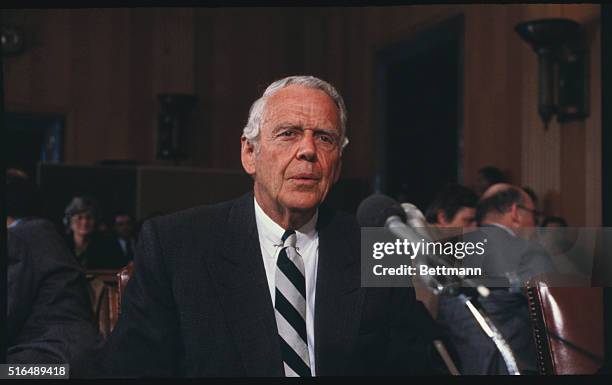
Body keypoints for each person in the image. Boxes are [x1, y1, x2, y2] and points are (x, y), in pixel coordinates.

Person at [98, 76, 433, 377]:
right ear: (249, 153)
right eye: (288, 134)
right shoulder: (176, 245)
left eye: (325, 138)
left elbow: (413, 367)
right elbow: (131, 370)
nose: (308, 151)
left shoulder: (373, 249)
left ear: (338, 165)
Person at [436, 183, 555, 375]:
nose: (536, 224)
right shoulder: (529, 252)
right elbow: (554, 316)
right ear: (515, 212)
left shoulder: (449, 251)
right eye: (534, 215)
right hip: (518, 367)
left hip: (462, 367)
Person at [6, 170, 100, 376]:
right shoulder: (44, 231)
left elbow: (9, 312)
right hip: (77, 356)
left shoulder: (18, 237)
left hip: (52, 362)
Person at [64, 196, 127, 270]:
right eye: (79, 218)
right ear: (70, 222)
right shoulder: (62, 245)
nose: (85, 222)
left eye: (89, 217)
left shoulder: (108, 245)